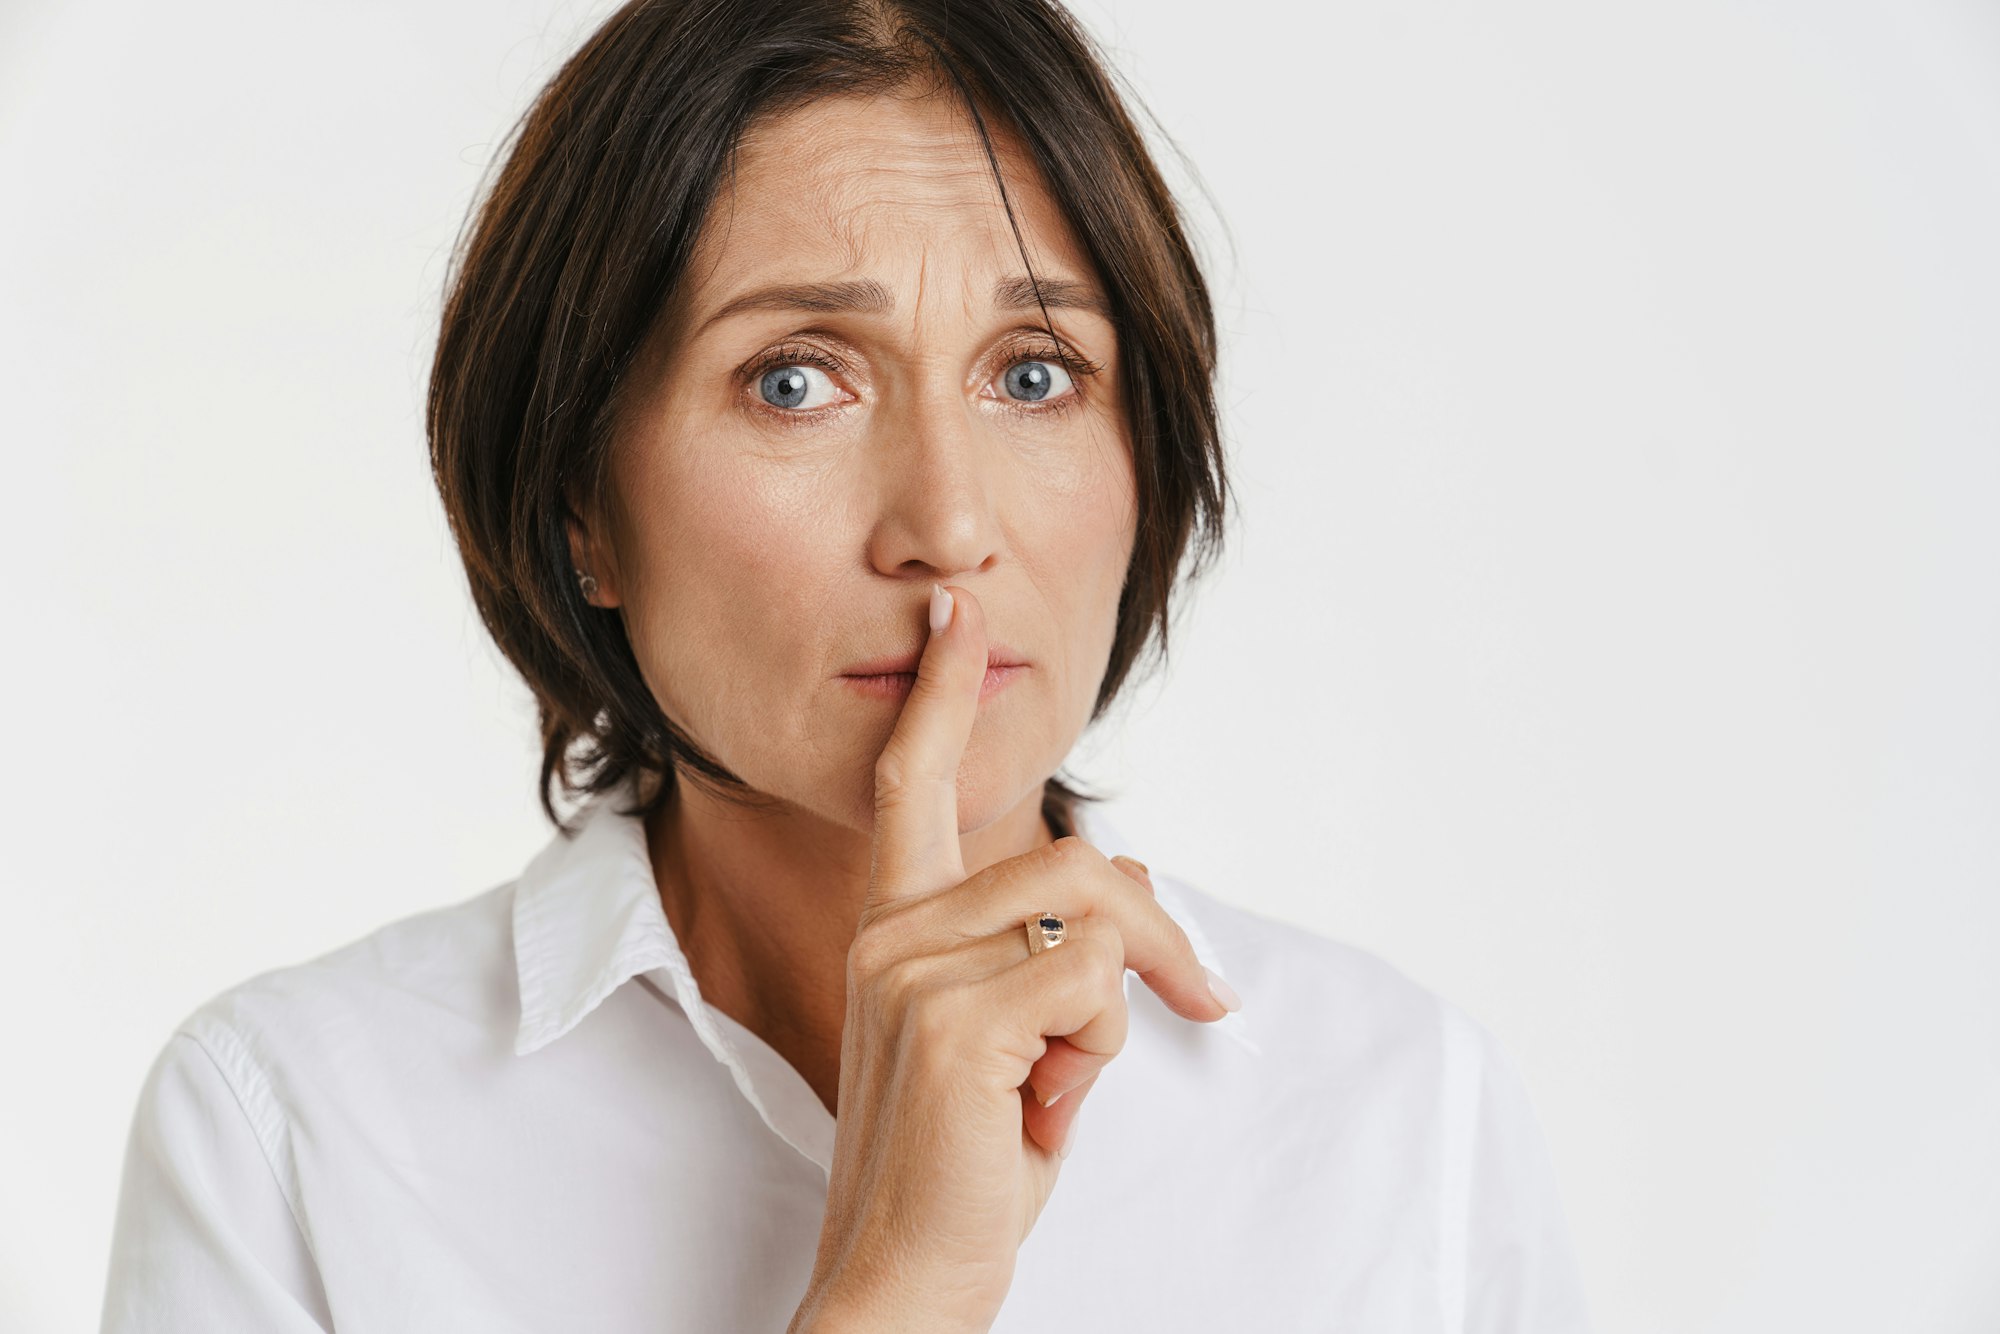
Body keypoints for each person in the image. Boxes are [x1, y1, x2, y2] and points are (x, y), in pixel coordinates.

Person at [99, 1, 1594, 1329]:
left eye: (1033, 374)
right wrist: (896, 1292)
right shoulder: (291, 1135)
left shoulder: (1401, 1116)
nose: (947, 525)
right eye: (795, 379)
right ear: (581, 512)